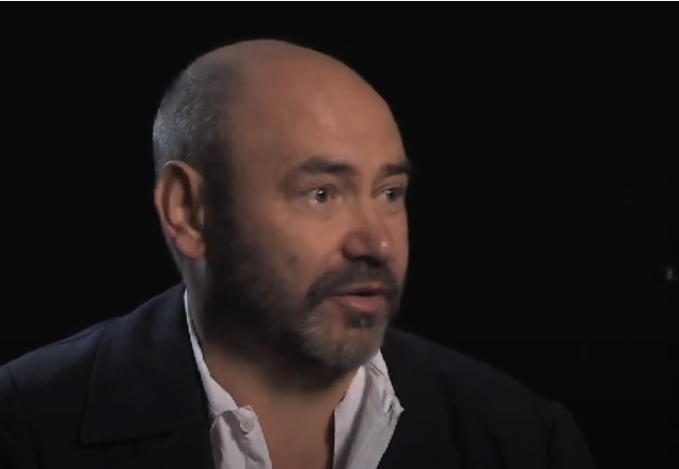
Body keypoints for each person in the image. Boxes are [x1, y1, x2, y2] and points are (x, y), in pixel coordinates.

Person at [0, 40, 598, 469]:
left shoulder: (524, 439)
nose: (377, 243)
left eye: (390, 193)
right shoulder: (25, 428)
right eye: (322, 194)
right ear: (189, 212)